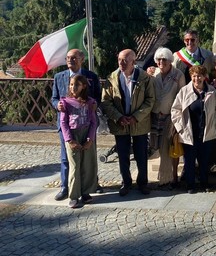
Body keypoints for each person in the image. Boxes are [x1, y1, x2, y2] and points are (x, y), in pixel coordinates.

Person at [101, 49, 155, 196]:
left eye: (125, 60)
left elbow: (150, 100)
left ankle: (143, 183)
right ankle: (126, 182)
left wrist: (136, 116)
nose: (121, 63)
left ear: (134, 62)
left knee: (141, 155)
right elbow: (106, 101)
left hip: (140, 123)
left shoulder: (144, 78)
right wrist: (119, 117)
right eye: (119, 60)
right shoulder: (111, 78)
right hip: (120, 124)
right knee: (123, 155)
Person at [51, 48, 101, 201]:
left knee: (87, 158)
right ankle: (65, 187)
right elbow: (54, 98)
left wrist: (95, 105)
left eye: (73, 58)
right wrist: (57, 105)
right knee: (67, 158)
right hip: (66, 125)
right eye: (67, 58)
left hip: (87, 124)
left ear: (82, 59)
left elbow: (98, 96)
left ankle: (89, 187)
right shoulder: (59, 77)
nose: (69, 60)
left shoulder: (91, 77)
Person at [171, 65, 216, 193]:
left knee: (204, 160)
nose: (196, 78)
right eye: (194, 76)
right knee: (189, 161)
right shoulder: (184, 91)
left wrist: (215, 124)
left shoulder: (211, 91)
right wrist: (180, 127)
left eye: (199, 75)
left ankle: (204, 183)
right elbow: (175, 110)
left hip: (206, 131)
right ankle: (190, 184)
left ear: (204, 77)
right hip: (189, 132)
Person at [59, 75, 98, 208]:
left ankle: (86, 192)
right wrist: (69, 140)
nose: (73, 87)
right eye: (71, 85)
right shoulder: (65, 102)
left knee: (87, 164)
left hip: (86, 134)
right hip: (73, 136)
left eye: (76, 85)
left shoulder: (90, 102)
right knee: (75, 166)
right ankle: (74, 195)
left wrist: (90, 139)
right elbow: (63, 123)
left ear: (84, 86)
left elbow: (93, 122)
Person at [150, 47, 185, 189]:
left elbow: (182, 97)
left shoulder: (178, 75)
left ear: (170, 60)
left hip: (171, 116)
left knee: (168, 148)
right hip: (155, 116)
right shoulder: (154, 75)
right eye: (159, 59)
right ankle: (166, 177)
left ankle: (169, 179)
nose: (161, 62)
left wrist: (178, 118)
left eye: (164, 59)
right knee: (156, 147)